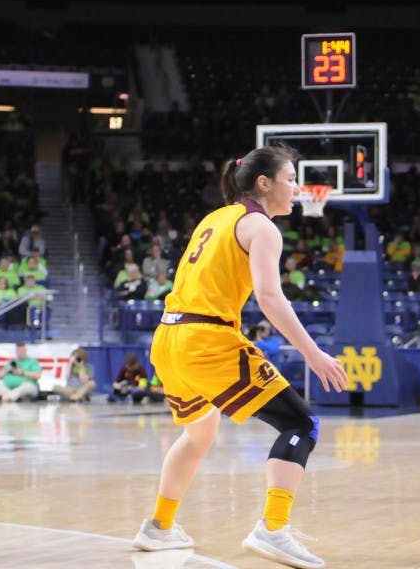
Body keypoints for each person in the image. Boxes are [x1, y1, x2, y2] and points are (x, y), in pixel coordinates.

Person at [132, 145, 347, 569]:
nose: (297, 188)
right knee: (301, 423)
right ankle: (273, 529)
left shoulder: (215, 218)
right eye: (290, 179)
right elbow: (269, 297)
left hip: (169, 338)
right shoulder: (262, 227)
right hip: (206, 340)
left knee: (199, 435)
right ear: (264, 183)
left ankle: (159, 527)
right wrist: (313, 353)